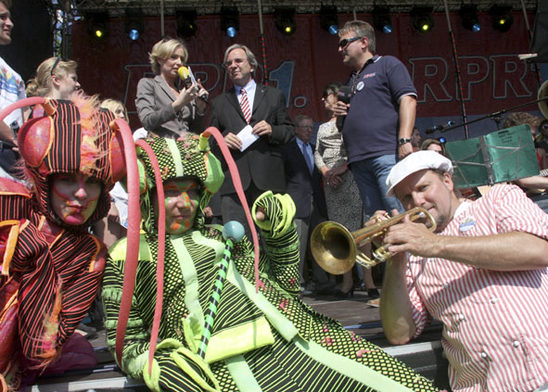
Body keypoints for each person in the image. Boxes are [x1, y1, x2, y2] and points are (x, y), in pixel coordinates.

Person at [101, 135, 439, 392]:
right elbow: (126, 343)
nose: (184, 202)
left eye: (192, 190)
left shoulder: (223, 235)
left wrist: (279, 237)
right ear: (148, 194)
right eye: (171, 191)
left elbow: (286, 285)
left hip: (302, 340)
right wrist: (155, 366)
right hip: (224, 366)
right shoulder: (127, 256)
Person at [377, 150, 548, 391]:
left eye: (423, 187)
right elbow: (399, 334)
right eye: (405, 197)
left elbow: (539, 251)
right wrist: (396, 259)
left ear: (447, 180)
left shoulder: (498, 198)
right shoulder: (413, 254)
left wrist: (435, 245)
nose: (416, 202)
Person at [0, 94, 123, 389]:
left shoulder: (89, 257)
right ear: (47, 182)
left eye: (92, 182)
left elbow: (39, 350)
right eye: (68, 178)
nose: (81, 194)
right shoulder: (7, 206)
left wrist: (38, 267)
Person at [334, 20, 417, 219]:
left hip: (385, 154)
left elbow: (408, 100)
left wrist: (404, 140)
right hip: (358, 161)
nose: (339, 49)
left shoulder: (387, 64)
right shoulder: (351, 80)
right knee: (376, 221)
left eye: (344, 43)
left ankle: (412, 251)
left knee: (398, 214)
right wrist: (340, 115)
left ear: (364, 42)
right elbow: (344, 125)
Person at [209, 43, 294, 235]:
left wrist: (272, 129)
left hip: (268, 181)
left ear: (252, 65)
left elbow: (289, 131)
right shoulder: (219, 102)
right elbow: (210, 142)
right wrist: (221, 139)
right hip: (233, 185)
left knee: (272, 238)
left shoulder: (274, 95)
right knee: (237, 241)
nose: (233, 66)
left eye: (238, 61)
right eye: (228, 63)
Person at [315, 83, 378, 300]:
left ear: (336, 96)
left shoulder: (351, 120)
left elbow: (358, 147)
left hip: (350, 178)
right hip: (332, 187)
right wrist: (326, 172)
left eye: (326, 96)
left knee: (360, 233)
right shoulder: (322, 127)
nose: (324, 101)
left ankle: (368, 281)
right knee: (340, 232)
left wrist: (341, 169)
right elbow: (317, 153)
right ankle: (347, 281)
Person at [281, 114, 330, 294]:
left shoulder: (314, 149)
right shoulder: (286, 150)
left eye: (311, 127)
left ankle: (321, 281)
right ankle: (297, 282)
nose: (310, 130)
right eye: (306, 127)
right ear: (296, 129)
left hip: (316, 202)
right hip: (296, 203)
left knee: (319, 243)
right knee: (298, 245)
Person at [136, 37, 207, 139]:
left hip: (186, 150)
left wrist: (200, 109)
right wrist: (178, 104)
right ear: (160, 59)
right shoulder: (148, 84)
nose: (179, 62)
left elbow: (196, 132)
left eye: (182, 59)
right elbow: (147, 121)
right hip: (162, 150)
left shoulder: (185, 92)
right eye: (173, 57)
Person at [0, 0, 26, 180]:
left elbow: (24, 115)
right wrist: (16, 140)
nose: (10, 23)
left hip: (13, 167)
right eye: (2, 17)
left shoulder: (13, 75)